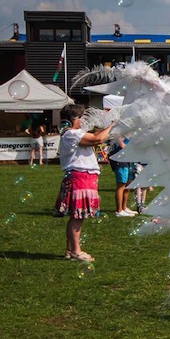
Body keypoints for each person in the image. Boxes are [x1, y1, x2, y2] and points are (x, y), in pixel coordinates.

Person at [54, 104, 114, 262]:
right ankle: (76, 251)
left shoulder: (73, 133)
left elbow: (97, 136)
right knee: (78, 216)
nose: (86, 121)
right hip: (79, 177)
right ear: (75, 119)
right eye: (83, 117)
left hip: (83, 177)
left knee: (77, 216)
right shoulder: (71, 134)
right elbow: (98, 139)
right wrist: (113, 124)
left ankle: (70, 250)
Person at [107, 135, 138, 217]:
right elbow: (122, 145)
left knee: (127, 185)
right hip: (120, 161)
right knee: (121, 185)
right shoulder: (118, 133)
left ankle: (124, 207)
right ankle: (119, 210)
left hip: (127, 160)